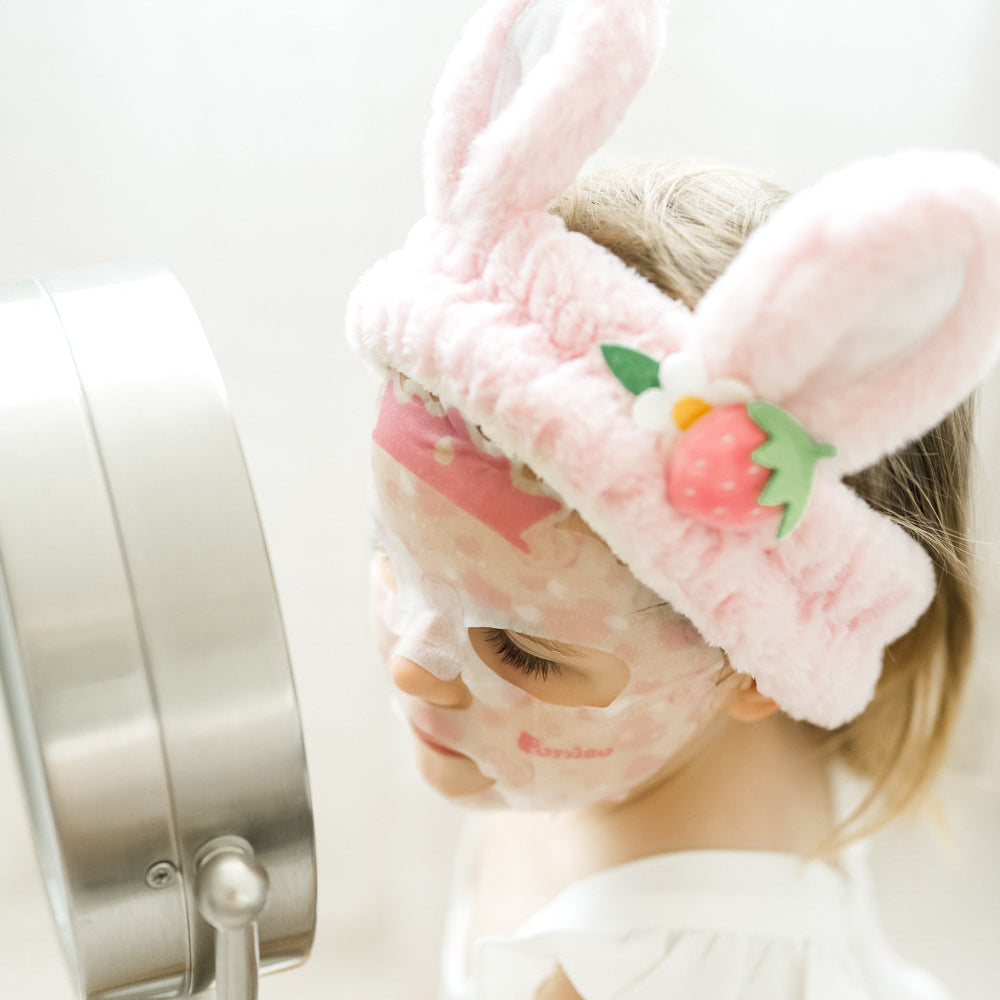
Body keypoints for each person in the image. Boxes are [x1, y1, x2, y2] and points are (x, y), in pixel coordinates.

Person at [347, 2, 1000, 997]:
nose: (411, 665)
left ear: (757, 664)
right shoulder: (693, 746)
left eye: (519, 649)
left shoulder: (628, 974)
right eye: (392, 555)